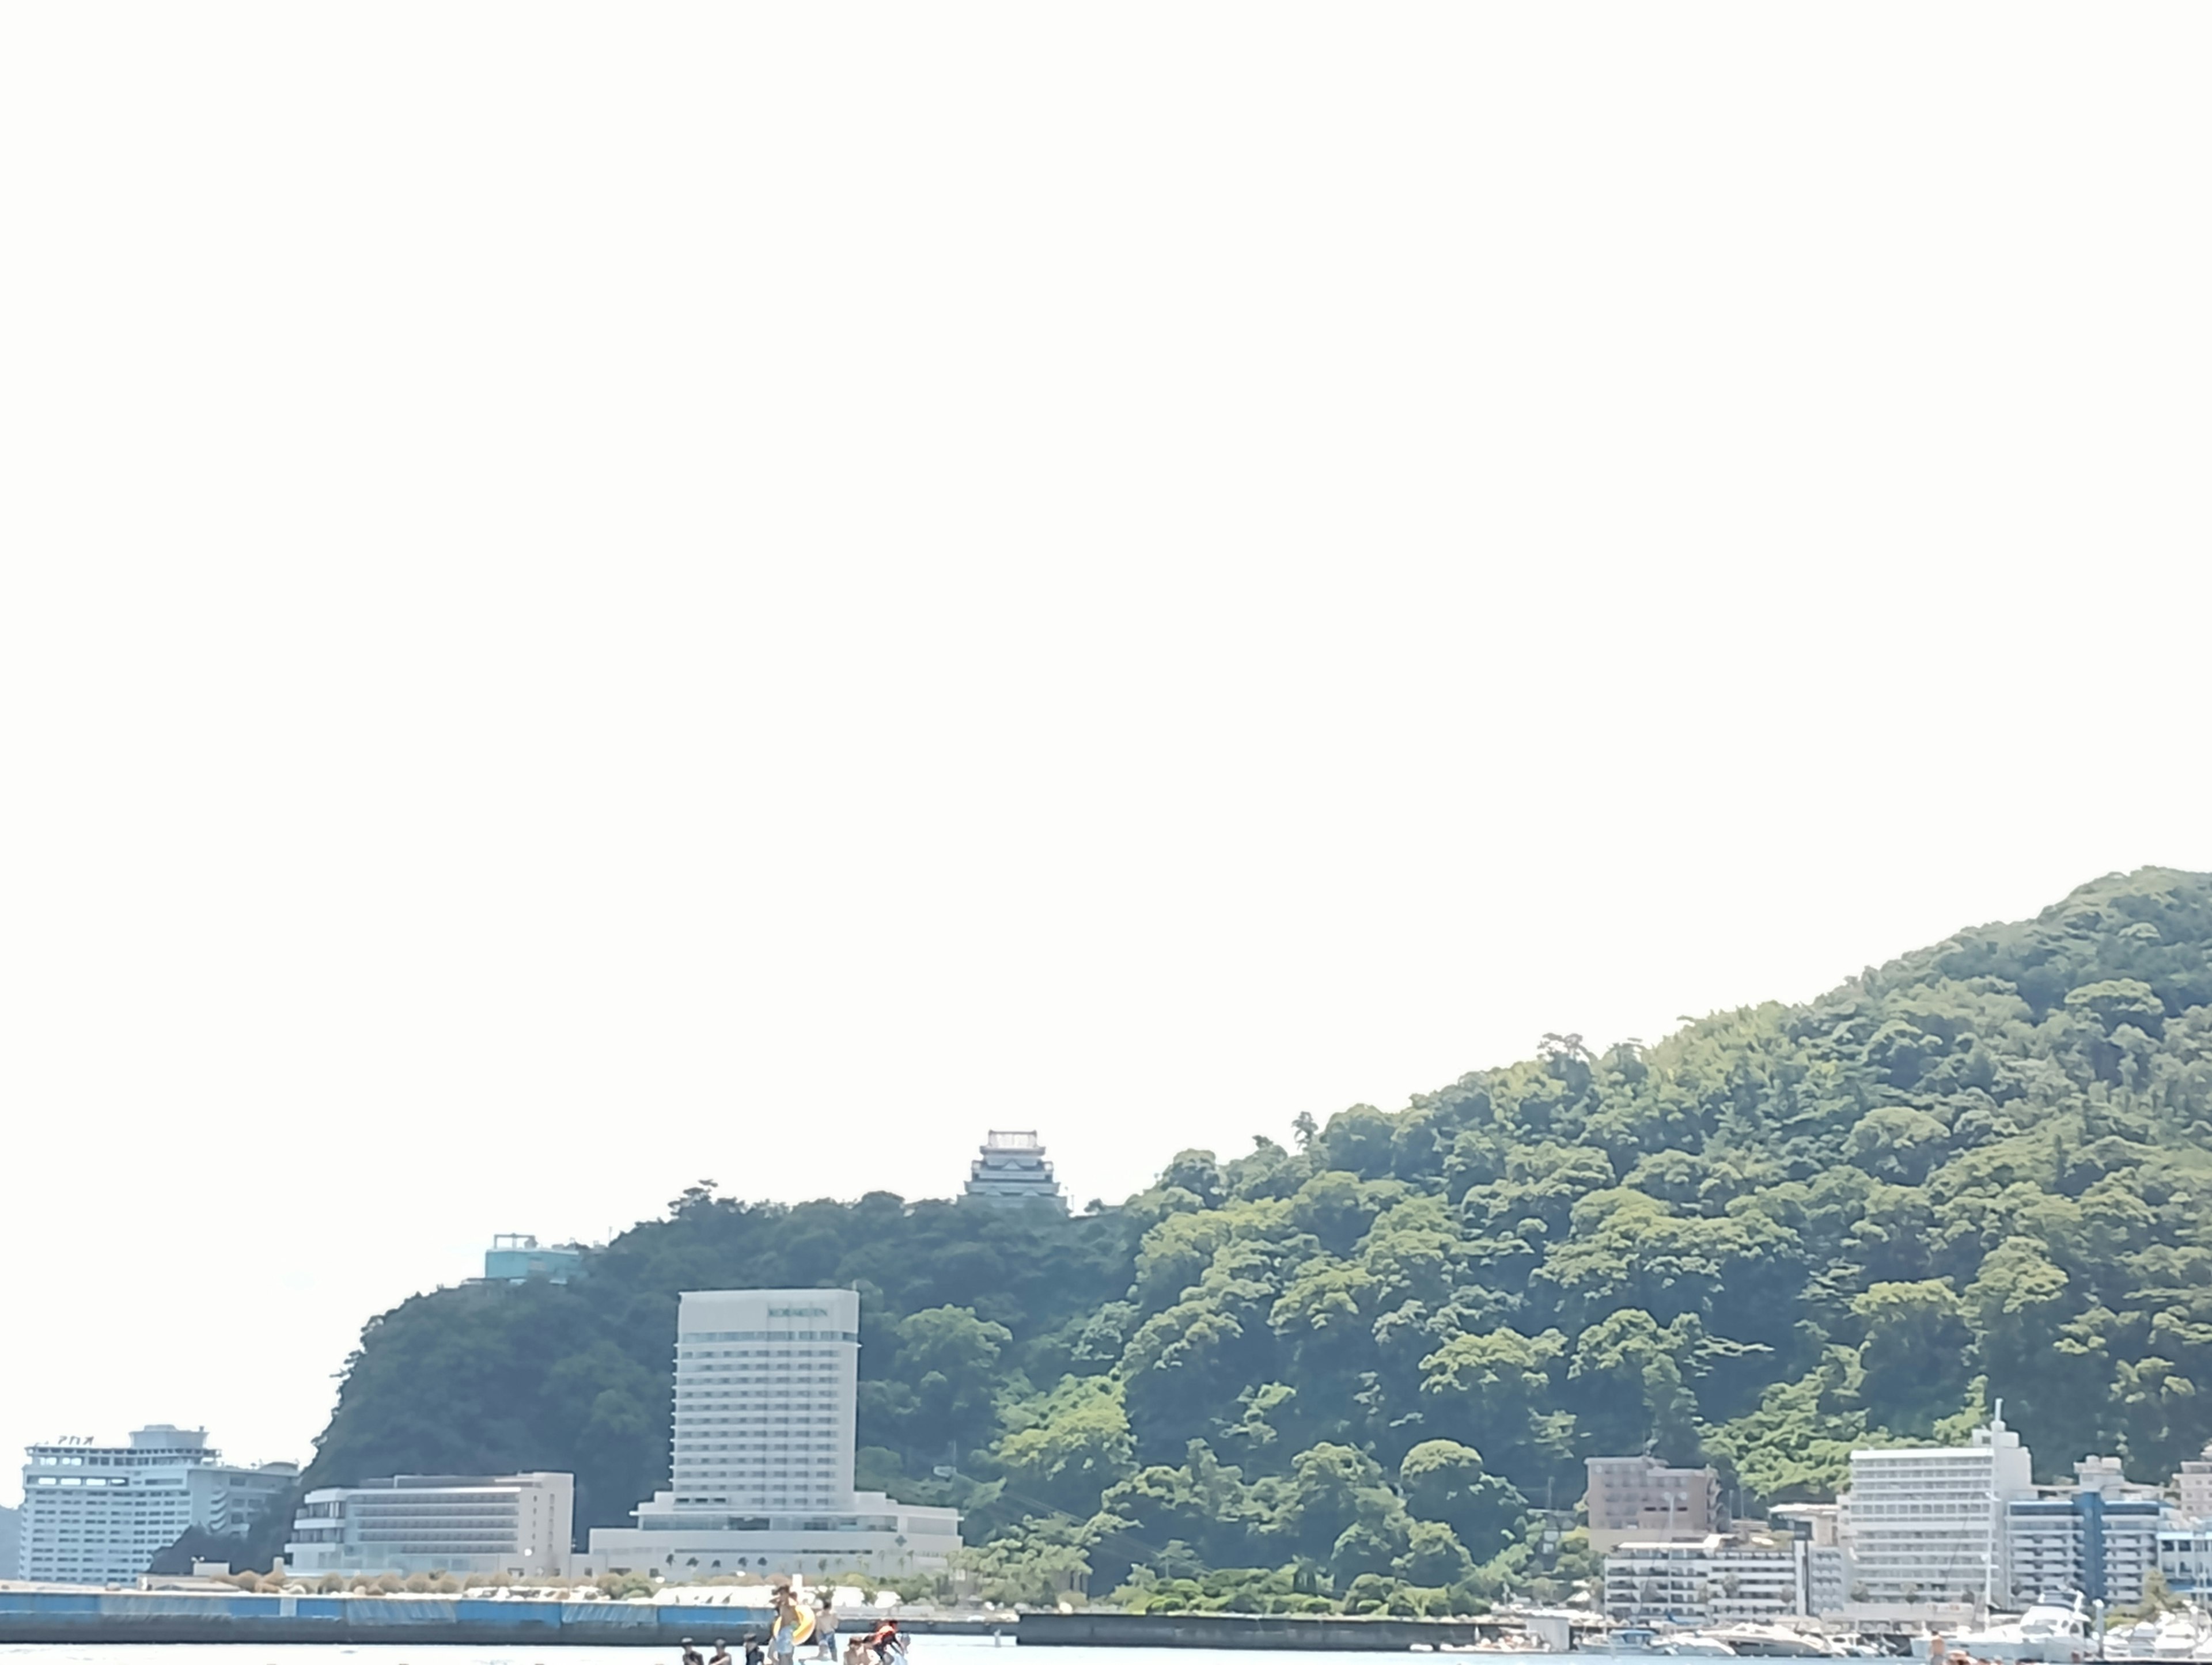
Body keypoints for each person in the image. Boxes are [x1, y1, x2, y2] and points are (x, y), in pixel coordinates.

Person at [814, 1596, 839, 1660]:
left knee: (830, 1650)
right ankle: (834, 1661)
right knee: (832, 1650)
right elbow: (835, 1626)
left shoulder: (819, 1615)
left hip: (825, 1633)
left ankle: (834, 1660)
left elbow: (818, 1627)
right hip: (826, 1633)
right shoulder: (832, 1614)